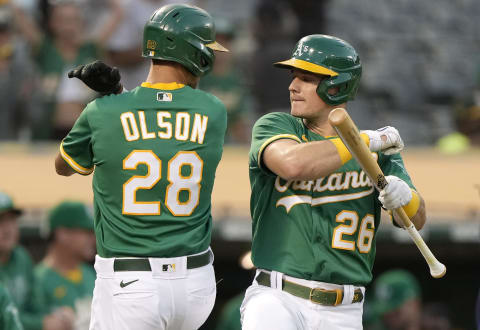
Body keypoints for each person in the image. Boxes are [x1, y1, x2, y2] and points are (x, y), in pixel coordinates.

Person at [54, 4, 228, 330]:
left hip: (131, 284)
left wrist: (114, 97)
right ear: (192, 50)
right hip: (196, 286)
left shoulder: (103, 112)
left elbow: (63, 166)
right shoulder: (214, 111)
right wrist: (120, 96)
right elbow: (175, 113)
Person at [240, 34, 427, 329]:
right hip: (278, 297)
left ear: (336, 85)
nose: (292, 86)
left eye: (306, 78)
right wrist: (362, 140)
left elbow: (416, 219)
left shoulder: (376, 153)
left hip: (345, 311)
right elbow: (293, 164)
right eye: (293, 76)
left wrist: (405, 198)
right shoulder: (278, 125)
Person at [0, 191, 73, 330]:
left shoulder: (21, 257)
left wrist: (57, 313)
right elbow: (4, 317)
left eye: (11, 220)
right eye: (0, 221)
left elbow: (38, 304)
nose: (7, 228)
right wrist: (40, 324)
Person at [31, 201, 96, 330]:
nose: (93, 239)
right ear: (63, 234)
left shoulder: (91, 273)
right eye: (87, 232)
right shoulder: (38, 279)